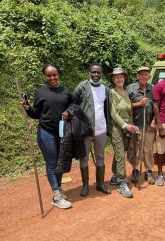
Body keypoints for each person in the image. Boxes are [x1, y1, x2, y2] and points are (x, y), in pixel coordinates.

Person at [23, 64, 73, 209]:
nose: (52, 78)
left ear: (58, 74)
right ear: (45, 76)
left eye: (54, 74)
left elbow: (73, 106)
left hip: (62, 132)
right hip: (46, 132)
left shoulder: (66, 91)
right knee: (52, 163)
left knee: (61, 162)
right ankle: (56, 194)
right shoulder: (40, 92)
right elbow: (36, 113)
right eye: (49, 75)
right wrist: (28, 109)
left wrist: (69, 112)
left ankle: (58, 189)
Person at [74, 63, 111, 197]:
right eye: (93, 72)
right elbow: (74, 106)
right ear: (89, 73)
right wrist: (79, 126)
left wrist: (109, 129)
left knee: (100, 156)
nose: (96, 75)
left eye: (98, 72)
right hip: (86, 131)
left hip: (101, 130)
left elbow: (107, 108)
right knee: (84, 158)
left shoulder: (105, 89)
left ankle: (100, 184)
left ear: (101, 73)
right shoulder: (81, 87)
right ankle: (85, 185)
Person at [109, 67, 138, 198]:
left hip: (127, 126)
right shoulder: (112, 92)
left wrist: (131, 125)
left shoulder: (126, 92)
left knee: (121, 152)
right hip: (117, 127)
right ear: (113, 79)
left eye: (121, 76)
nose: (119, 78)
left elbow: (129, 110)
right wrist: (124, 125)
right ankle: (122, 182)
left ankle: (115, 174)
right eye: (116, 77)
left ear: (124, 78)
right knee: (120, 153)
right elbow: (113, 113)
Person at [127, 66, 155, 185]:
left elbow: (158, 107)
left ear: (149, 76)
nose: (144, 76)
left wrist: (154, 121)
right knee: (135, 149)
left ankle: (148, 171)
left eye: (146, 74)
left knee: (148, 150)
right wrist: (139, 103)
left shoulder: (153, 88)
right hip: (135, 125)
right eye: (141, 74)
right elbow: (126, 105)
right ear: (137, 76)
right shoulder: (130, 88)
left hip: (149, 125)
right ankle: (136, 169)